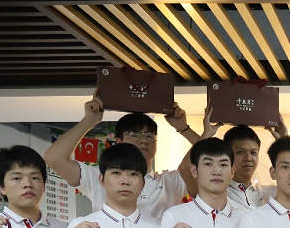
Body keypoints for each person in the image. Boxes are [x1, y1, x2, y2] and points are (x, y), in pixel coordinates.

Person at [43, 93, 196, 219]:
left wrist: (184, 129)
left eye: (149, 135)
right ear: (118, 141)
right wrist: (89, 121)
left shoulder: (171, 181)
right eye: (135, 134)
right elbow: (54, 158)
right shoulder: (101, 176)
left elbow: (207, 156)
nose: (143, 140)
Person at [160, 137, 249, 228]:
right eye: (208, 164)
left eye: (223, 164)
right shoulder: (174, 215)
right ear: (194, 170)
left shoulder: (247, 217)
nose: (217, 171)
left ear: (232, 171)